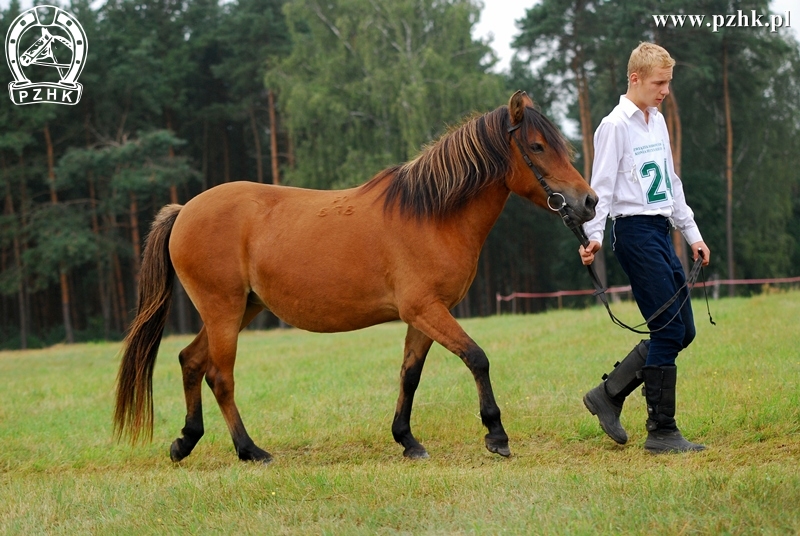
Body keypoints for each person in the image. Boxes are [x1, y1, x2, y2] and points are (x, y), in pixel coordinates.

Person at [579, 42, 710, 454]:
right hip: (633, 235)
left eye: (668, 82)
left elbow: (671, 183)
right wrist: (593, 236)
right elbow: (598, 189)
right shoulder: (614, 125)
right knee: (667, 329)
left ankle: (608, 395)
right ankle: (662, 431)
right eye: (660, 82)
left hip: (660, 232)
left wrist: (693, 234)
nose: (665, 90)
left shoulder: (657, 122)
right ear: (635, 78)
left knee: (683, 330)